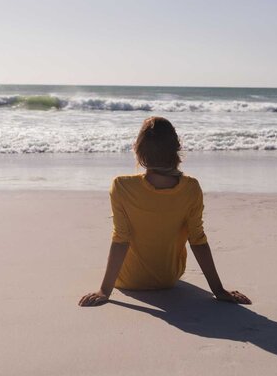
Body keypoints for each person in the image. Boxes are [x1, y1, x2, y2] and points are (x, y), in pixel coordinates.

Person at [79, 116, 251, 307]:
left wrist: (104, 291)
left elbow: (121, 238)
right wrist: (218, 290)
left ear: (138, 149)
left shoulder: (122, 186)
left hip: (128, 281)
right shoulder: (191, 188)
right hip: (168, 279)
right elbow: (198, 240)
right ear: (176, 149)